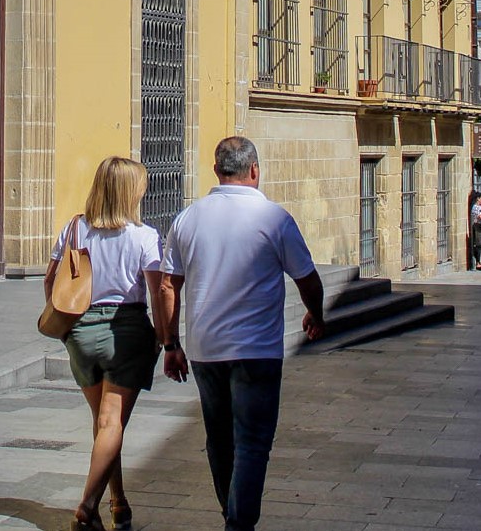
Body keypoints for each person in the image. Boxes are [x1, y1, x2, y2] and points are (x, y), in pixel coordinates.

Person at [158, 137, 325, 531]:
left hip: (205, 349)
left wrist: (171, 344)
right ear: (255, 170)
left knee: (219, 440)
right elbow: (308, 278)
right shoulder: (275, 218)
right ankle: (239, 522)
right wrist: (315, 315)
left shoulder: (188, 218)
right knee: (252, 442)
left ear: (217, 170)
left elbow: (168, 286)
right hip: (257, 351)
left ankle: (230, 512)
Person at [44, 157, 163, 531]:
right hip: (125, 331)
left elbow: (51, 284)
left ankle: (119, 504)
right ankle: (86, 507)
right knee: (112, 423)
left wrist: (67, 330)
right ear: (131, 192)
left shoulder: (75, 229)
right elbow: (158, 292)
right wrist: (166, 337)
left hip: (80, 331)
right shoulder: (144, 236)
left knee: (104, 425)